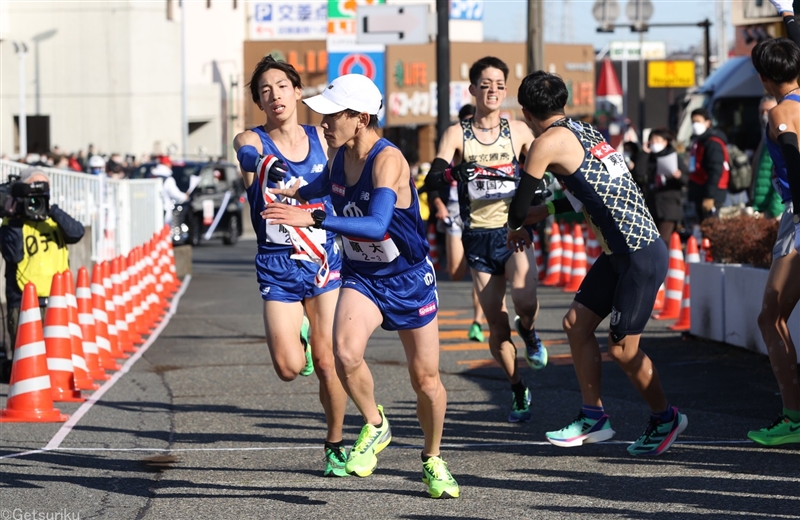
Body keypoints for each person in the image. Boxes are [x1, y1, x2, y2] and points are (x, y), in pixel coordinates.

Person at [263, 73, 460, 499]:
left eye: (333, 115)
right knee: (344, 353)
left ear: (361, 118)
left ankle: (433, 457)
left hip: (407, 279)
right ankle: (376, 423)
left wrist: (314, 217)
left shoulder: (388, 161)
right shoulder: (337, 157)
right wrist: (294, 191)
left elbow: (376, 225)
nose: (323, 122)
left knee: (425, 380)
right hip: (363, 277)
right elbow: (322, 190)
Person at [508, 71, 687, 456]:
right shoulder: (585, 130)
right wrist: (549, 209)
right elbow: (596, 190)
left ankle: (666, 417)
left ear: (525, 112)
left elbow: (518, 207)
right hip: (624, 250)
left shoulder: (544, 143)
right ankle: (594, 417)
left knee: (623, 350)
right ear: (563, 103)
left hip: (638, 254)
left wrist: (517, 225)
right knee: (575, 324)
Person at [231, 55, 349, 476]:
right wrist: (264, 163)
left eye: (281, 86)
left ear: (298, 92)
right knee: (288, 368)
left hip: (323, 261)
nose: (274, 94)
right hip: (277, 264)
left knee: (328, 359)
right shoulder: (253, 139)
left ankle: (335, 443)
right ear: (259, 102)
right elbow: (244, 152)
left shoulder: (324, 136)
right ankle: (298, 325)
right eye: (265, 90)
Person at [424, 56, 546, 424]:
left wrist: (531, 217)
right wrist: (452, 172)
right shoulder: (456, 133)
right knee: (496, 324)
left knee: (525, 301)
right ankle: (517, 386)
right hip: (477, 236)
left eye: (499, 84)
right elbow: (432, 176)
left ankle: (531, 332)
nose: (492, 90)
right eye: (485, 84)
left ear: (505, 91)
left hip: (513, 232)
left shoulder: (520, 131)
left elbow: (542, 176)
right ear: (473, 90)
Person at [746, 2, 800, 445]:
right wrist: (787, 15)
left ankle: (793, 417)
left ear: (764, 79)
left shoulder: (780, 113)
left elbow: (795, 159)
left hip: (799, 219)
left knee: (770, 317)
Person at [0, 168, 85, 372]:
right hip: (23, 300)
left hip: (56, 299)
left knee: (56, 359)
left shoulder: (54, 219)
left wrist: (51, 209)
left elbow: (77, 233)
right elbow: (14, 255)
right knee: (27, 365)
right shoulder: (11, 224)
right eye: (32, 191)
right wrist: (15, 218)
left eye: (43, 190)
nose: (36, 198)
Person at [428, 102, 492, 343]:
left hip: (483, 209)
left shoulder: (490, 145)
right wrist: (438, 204)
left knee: (480, 269)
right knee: (456, 272)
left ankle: (478, 321)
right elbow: (432, 180)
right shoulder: (452, 144)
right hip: (454, 209)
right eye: (466, 121)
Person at [687, 108, 730, 223]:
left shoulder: (713, 143)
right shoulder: (699, 141)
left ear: (708, 122)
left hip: (711, 193)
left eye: (698, 121)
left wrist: (709, 196)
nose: (695, 125)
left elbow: (715, 171)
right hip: (701, 190)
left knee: (711, 226)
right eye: (693, 121)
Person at [645, 128, 688, 242]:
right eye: (652, 140)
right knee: (652, 240)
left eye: (657, 140)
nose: (654, 143)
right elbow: (639, 172)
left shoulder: (674, 157)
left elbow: (686, 179)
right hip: (652, 205)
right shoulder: (649, 158)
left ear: (665, 141)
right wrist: (644, 152)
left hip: (669, 206)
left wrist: (679, 176)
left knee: (663, 240)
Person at [751, 95, 785, 219]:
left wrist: (775, 211)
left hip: (774, 211)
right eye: (761, 111)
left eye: (768, 111)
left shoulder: (780, 139)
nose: (764, 115)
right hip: (762, 209)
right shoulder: (765, 138)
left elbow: (783, 176)